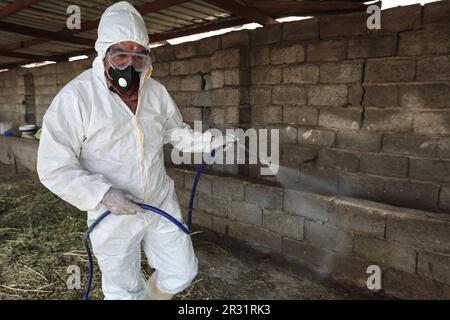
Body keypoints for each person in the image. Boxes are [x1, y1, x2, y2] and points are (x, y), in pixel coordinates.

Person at [37, 1, 236, 300]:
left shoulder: (155, 92)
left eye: (138, 56)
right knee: (123, 291)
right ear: (104, 52)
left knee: (181, 270)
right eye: (120, 54)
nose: (130, 64)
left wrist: (209, 142)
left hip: (159, 200)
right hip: (112, 210)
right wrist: (102, 194)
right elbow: (53, 166)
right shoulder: (77, 97)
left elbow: (174, 131)